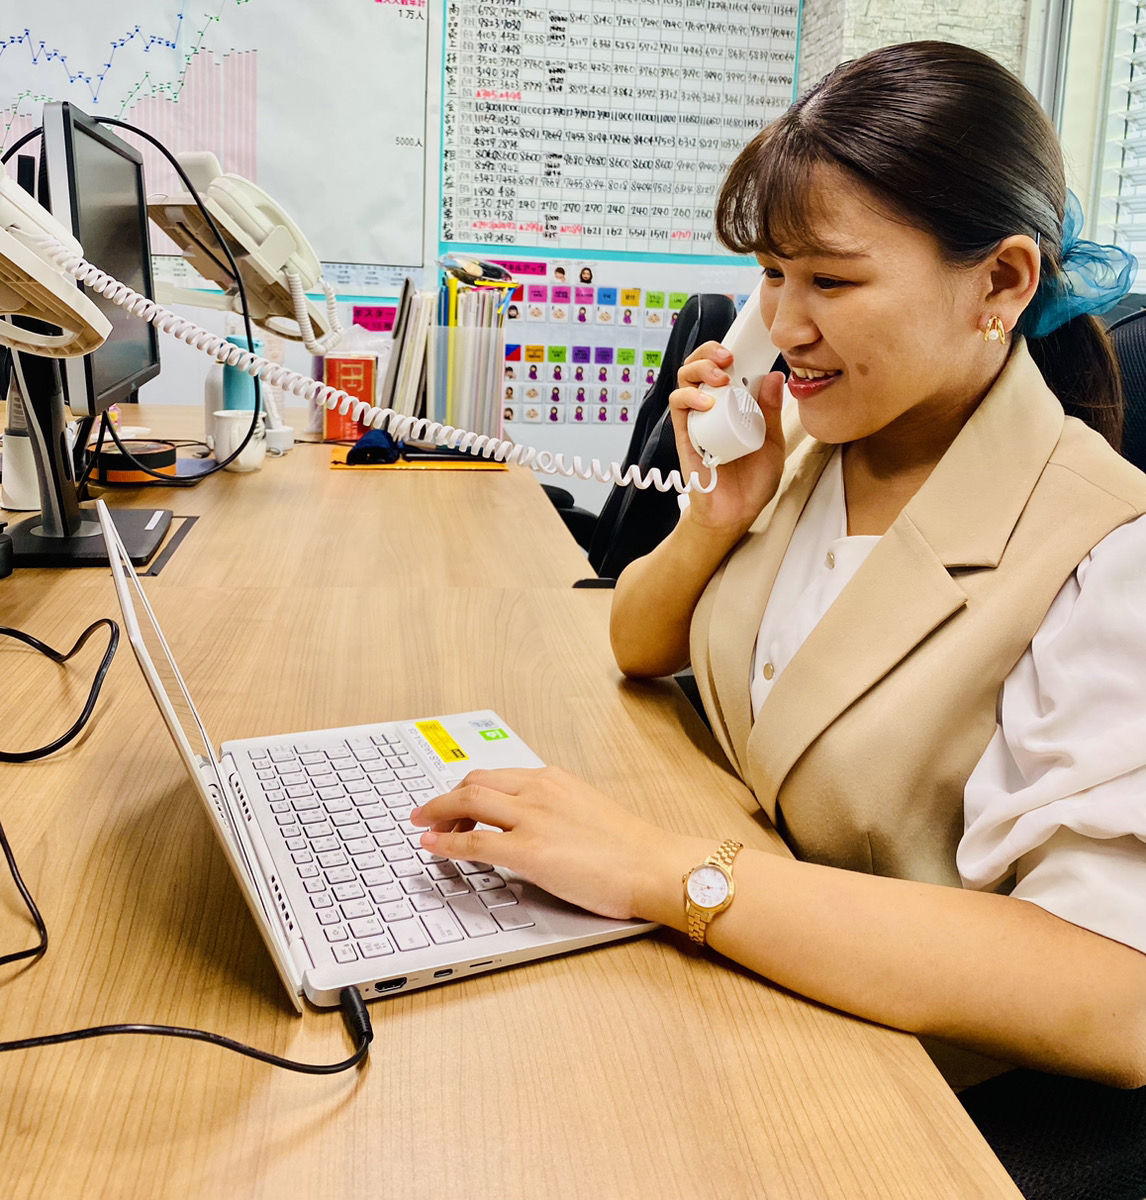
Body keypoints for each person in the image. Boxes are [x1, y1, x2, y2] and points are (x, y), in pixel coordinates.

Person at [412, 42, 1146, 1095]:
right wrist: (717, 515)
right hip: (739, 995)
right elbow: (638, 643)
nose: (782, 329)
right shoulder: (817, 442)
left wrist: (661, 870)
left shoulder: (1107, 555)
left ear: (1001, 280)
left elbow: (1117, 997)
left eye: (833, 282)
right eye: (771, 274)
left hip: (880, 1080)